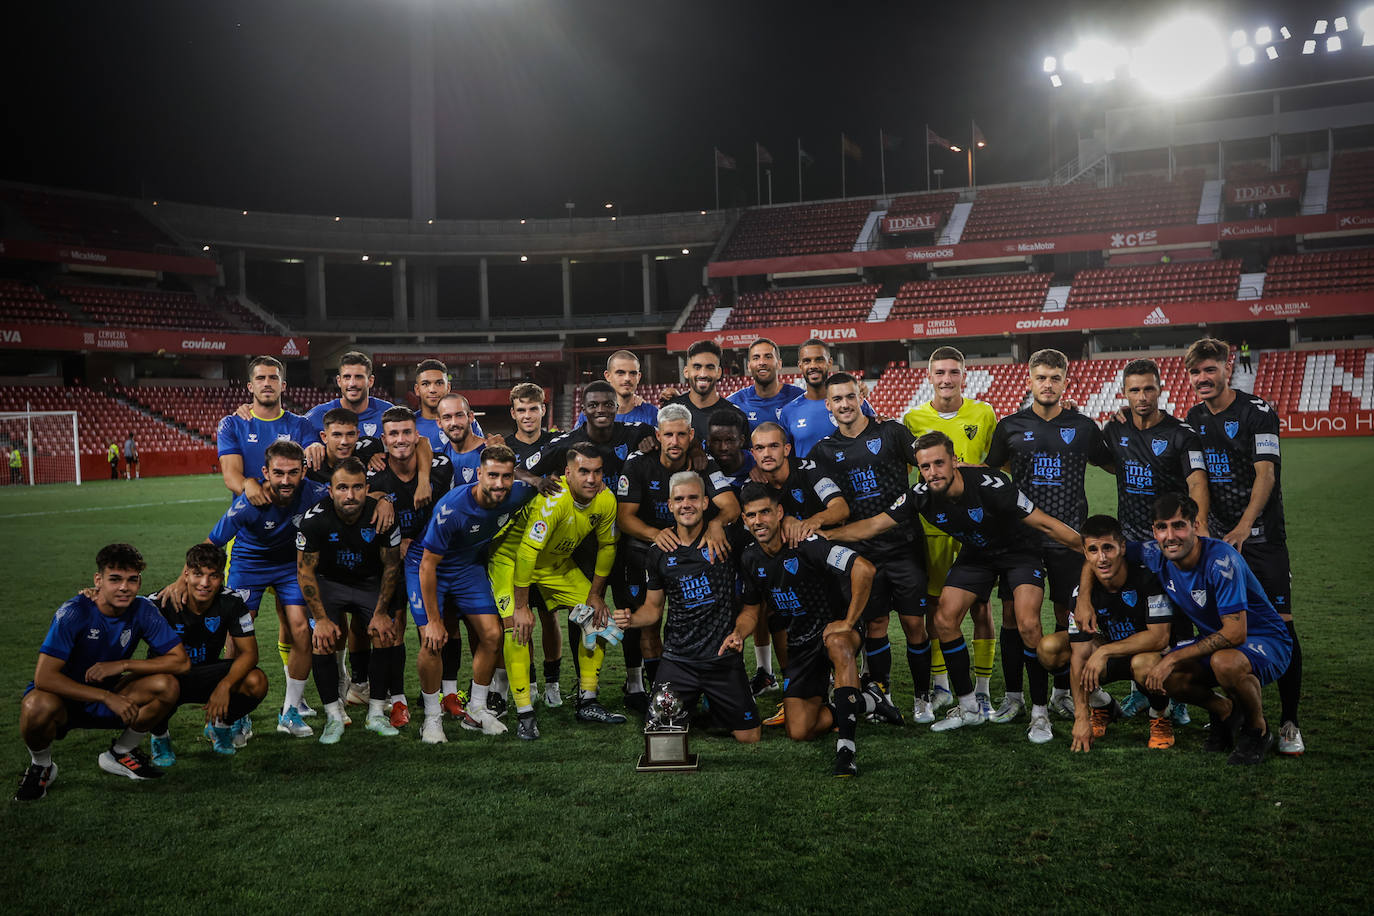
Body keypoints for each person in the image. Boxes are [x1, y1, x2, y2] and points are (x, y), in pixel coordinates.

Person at [822, 431, 1082, 743]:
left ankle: (1040, 713)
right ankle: (969, 706)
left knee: (1027, 622)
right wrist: (825, 536)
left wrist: (1089, 550)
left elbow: (1044, 523)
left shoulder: (992, 485)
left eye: (939, 463)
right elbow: (876, 524)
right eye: (925, 466)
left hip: (1019, 552)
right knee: (944, 618)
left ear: (955, 460)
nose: (932, 472)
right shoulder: (920, 493)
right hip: (977, 554)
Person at [1109, 493, 1292, 765]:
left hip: (1265, 639)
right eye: (1162, 527)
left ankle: (1257, 730)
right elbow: (1102, 548)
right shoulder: (1154, 553)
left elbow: (1235, 633)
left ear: (1195, 526)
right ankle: (1225, 713)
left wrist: (1172, 657)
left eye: (1178, 525)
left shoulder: (1221, 560)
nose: (1170, 536)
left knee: (1224, 663)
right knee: (1156, 673)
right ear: (1154, 531)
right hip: (1216, 641)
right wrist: (1086, 596)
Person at [1184, 337, 1303, 755]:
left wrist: (1243, 527)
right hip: (1218, 543)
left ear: (1226, 367)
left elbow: (1265, 475)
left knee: (1281, 623)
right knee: (1224, 629)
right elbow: (1197, 479)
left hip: (1262, 539)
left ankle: (1289, 720)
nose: (1203, 378)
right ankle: (1236, 712)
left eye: (1210, 369)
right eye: (1196, 372)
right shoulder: (1193, 418)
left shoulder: (1257, 411)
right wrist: (1204, 529)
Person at [730, 484, 898, 776]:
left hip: (833, 629)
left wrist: (847, 621)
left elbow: (864, 569)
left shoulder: (807, 543)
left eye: (765, 512)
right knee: (800, 730)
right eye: (751, 515)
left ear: (779, 513)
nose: (759, 521)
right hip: (801, 643)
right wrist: (738, 634)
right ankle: (869, 700)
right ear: (744, 520)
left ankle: (846, 750)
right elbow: (752, 609)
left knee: (838, 644)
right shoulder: (749, 558)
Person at [984, 349, 1111, 724]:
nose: (1048, 384)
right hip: (1021, 540)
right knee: (1014, 617)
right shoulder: (1009, 425)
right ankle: (1012, 697)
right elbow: (992, 471)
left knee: (1065, 617)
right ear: (1029, 381)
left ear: (1065, 382)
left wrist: (1125, 425)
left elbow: (1113, 461)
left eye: (1055, 378)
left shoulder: (1085, 427)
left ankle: (1060, 693)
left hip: (1069, 538)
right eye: (1041, 377)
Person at [15, 544, 189, 801]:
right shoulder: (74, 612)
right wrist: (106, 698)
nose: (124, 588)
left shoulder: (142, 610)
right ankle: (41, 766)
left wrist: (123, 665)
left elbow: (181, 662)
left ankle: (120, 753)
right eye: (115, 579)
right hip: (64, 701)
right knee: (34, 706)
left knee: (167, 685)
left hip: (111, 691)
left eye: (132, 580)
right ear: (98, 580)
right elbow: (45, 677)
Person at [808, 372, 926, 722]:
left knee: (914, 624)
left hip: (904, 544)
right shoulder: (824, 451)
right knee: (875, 623)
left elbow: (927, 464)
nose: (844, 404)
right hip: (863, 551)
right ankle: (882, 693)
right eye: (837, 399)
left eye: (850, 396)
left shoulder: (891, 432)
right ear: (827, 404)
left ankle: (922, 699)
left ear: (861, 395)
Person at [612, 472, 761, 744]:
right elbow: (653, 609)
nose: (686, 504)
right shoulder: (659, 552)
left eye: (693, 498)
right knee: (660, 739)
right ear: (670, 505)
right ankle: (697, 705)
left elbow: (754, 523)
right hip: (679, 660)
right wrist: (630, 620)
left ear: (705, 502)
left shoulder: (727, 540)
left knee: (749, 736)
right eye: (679, 499)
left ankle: (713, 705)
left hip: (721, 658)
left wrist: (739, 633)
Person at [489, 443, 622, 736]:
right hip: (512, 560)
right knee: (516, 627)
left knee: (598, 620)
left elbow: (608, 546)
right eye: (583, 471)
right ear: (567, 473)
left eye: (597, 472)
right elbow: (525, 554)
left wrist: (595, 595)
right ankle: (525, 714)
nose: (591, 479)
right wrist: (522, 607)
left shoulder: (606, 500)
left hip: (554, 564)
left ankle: (588, 700)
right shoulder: (554, 500)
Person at [1103, 357, 1210, 720]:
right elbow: (1108, 461)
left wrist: (1201, 526)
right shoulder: (1114, 430)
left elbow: (1196, 480)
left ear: (1160, 389)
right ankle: (1142, 691)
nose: (1142, 396)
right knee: (1139, 619)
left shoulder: (1181, 433)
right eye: (1134, 390)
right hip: (1130, 543)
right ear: (1124, 393)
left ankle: (1177, 695)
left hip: (1169, 543)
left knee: (1178, 618)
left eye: (1149, 388)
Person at [615, 403, 740, 707]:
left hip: (694, 551)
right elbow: (624, 518)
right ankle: (662, 692)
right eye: (668, 435)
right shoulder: (638, 463)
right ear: (657, 435)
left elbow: (732, 507)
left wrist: (715, 523)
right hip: (646, 550)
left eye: (681, 435)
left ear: (691, 435)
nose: (674, 441)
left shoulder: (704, 463)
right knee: (649, 623)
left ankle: (710, 683)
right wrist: (655, 534)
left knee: (705, 615)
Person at [204, 440, 329, 738]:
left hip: (291, 565)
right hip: (250, 562)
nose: (286, 480)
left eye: (293, 473)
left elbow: (352, 499)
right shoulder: (248, 503)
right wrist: (184, 581)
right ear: (265, 472)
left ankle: (290, 710)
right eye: (278, 473)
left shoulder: (315, 493)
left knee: (301, 629)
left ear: (304, 471)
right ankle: (238, 713)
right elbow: (211, 545)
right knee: (238, 633)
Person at [902, 345, 999, 718]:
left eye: (953, 372)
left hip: (976, 526)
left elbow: (996, 459)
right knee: (935, 607)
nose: (946, 379)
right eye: (939, 373)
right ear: (929, 377)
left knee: (980, 607)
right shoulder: (913, 419)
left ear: (963, 375)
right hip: (932, 528)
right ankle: (942, 685)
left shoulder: (984, 413)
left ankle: (983, 689)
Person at [417, 445, 535, 740]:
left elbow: (541, 480)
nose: (499, 484)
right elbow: (427, 566)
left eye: (506, 477)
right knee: (433, 640)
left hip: (468, 567)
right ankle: (432, 718)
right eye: (492, 475)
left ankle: (477, 709)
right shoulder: (453, 507)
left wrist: (538, 480)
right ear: (478, 473)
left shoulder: (517, 492)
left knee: (493, 636)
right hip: (431, 566)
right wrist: (433, 620)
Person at [1039, 515, 1173, 752]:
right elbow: (1079, 656)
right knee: (1051, 649)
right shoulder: (1081, 593)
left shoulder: (1147, 576)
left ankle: (1160, 715)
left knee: (1146, 664)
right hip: (1110, 651)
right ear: (1085, 552)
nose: (1101, 558)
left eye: (1108, 548)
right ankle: (1102, 705)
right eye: (1093, 550)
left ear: (1122, 547)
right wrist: (1081, 718)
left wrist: (1106, 651)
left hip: (1146, 653)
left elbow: (1159, 637)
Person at [296, 457, 404, 744]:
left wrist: (381, 613)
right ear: (330, 491)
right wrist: (320, 620)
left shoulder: (381, 516)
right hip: (330, 584)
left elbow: (392, 566)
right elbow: (305, 571)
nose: (350, 495)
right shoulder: (314, 519)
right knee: (322, 640)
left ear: (367, 489)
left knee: (384, 633)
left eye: (357, 488)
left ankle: (377, 713)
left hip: (369, 582)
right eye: (342, 488)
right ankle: (333, 715)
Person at [365, 406, 455, 731]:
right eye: (393, 434)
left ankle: (442, 697)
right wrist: (381, 500)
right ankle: (398, 700)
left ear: (417, 436)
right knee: (392, 631)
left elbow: (449, 514)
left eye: (407, 432)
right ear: (383, 440)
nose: (401, 439)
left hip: (428, 560)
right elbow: (364, 494)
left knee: (436, 630)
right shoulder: (373, 473)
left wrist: (414, 538)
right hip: (390, 563)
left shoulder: (440, 468)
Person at [147, 544, 268, 761]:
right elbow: (121, 606)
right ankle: (160, 737)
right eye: (198, 574)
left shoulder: (231, 601)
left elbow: (250, 654)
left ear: (221, 577)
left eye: (212, 576)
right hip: (167, 675)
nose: (204, 583)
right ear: (186, 575)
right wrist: (92, 595)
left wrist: (224, 685)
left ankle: (220, 726)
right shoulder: (160, 602)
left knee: (255, 681)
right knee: (157, 685)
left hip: (207, 673)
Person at [217, 356, 320, 507]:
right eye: (260, 378)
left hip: (292, 520)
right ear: (250, 386)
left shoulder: (301, 425)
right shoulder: (231, 424)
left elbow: (312, 456)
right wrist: (251, 489)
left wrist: (316, 445)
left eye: (273, 378)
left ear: (283, 385)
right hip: (251, 520)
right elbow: (231, 475)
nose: (266, 383)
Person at [777, 338, 875, 458]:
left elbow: (876, 438)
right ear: (800, 366)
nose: (813, 365)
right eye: (807, 361)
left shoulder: (852, 403)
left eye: (819, 360)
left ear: (829, 362)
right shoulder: (788, 412)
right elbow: (787, 457)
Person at [665, 339, 749, 446]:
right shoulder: (669, 411)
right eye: (697, 367)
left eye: (710, 367)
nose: (703, 374)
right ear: (686, 372)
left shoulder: (737, 416)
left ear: (719, 372)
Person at [304, 350, 395, 441]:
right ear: (339, 381)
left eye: (358, 377)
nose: (352, 383)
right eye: (347, 377)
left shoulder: (387, 413)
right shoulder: (318, 415)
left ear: (370, 381)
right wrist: (310, 446)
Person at [727, 337, 804, 431]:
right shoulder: (734, 403)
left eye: (768, 357)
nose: (762, 362)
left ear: (779, 364)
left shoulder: (799, 399)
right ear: (749, 366)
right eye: (756, 358)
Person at [412, 357, 485, 448]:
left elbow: (480, 457)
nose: (432, 390)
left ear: (448, 387)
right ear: (417, 389)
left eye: (439, 383)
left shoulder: (466, 422)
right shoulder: (409, 424)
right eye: (425, 384)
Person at [582, 349, 659, 425]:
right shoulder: (589, 416)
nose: (627, 378)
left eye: (633, 373)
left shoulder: (652, 414)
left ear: (638, 377)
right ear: (608, 376)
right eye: (620, 373)